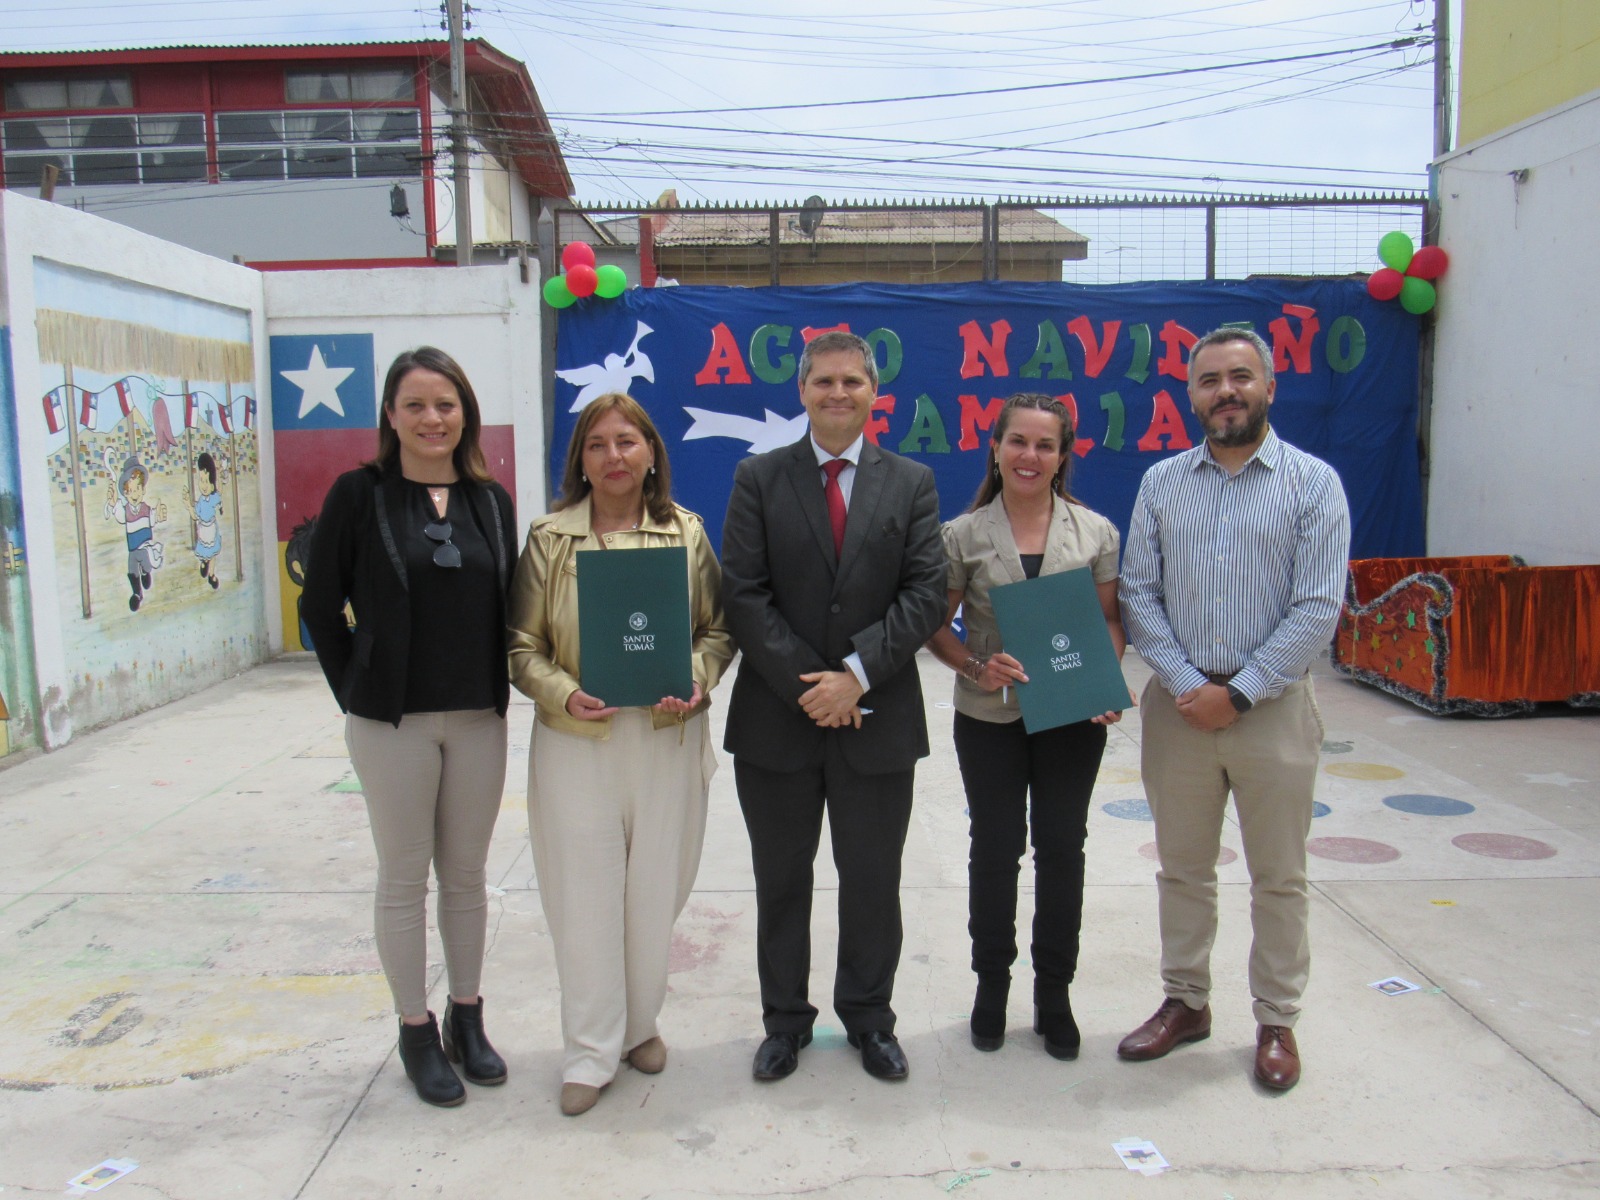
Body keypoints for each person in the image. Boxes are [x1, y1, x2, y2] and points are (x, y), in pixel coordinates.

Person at [1117, 326, 1350, 1092]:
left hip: (1274, 710)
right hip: (1180, 711)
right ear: (1191, 394)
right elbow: (1139, 597)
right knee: (1182, 869)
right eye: (1210, 379)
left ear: (1269, 387)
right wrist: (1190, 686)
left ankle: (1277, 1018)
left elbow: (1318, 607)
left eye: (1241, 376)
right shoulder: (1161, 484)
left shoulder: (1313, 484)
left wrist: (1241, 690)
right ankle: (1186, 1002)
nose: (1226, 391)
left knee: (1278, 875)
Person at [721, 329, 946, 1084]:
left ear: (874, 392)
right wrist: (812, 687)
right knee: (781, 880)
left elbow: (925, 595)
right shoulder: (760, 478)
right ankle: (784, 1022)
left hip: (876, 718)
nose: (839, 394)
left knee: (872, 879)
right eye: (824, 382)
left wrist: (855, 674)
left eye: (853, 382)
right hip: (777, 723)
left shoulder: (911, 482)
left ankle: (869, 1019)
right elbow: (744, 596)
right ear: (803, 391)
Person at [507, 393, 734, 1117]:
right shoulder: (549, 538)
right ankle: (589, 1050)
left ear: (651, 453)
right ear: (580, 458)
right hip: (579, 742)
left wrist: (696, 681)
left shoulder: (686, 534)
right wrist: (563, 693)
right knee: (586, 897)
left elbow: (717, 633)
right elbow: (521, 648)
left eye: (627, 442)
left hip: (665, 741)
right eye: (598, 444)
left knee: (653, 892)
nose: (614, 456)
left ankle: (639, 1029)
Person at [302, 346, 517, 1108]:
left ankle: (468, 1017)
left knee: (466, 877)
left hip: (478, 719)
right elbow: (319, 610)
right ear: (391, 416)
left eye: (447, 403)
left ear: (466, 413)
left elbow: (511, 605)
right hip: (392, 723)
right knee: (403, 879)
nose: (433, 418)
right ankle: (415, 1030)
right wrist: (358, 692)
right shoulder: (359, 495)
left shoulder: (491, 501)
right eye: (416, 404)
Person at [925, 393, 1129, 1060]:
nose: (1030, 456)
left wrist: (1103, 680)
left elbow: (1108, 621)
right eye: (1019, 442)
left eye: (1045, 445)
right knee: (996, 847)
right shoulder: (962, 535)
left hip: (1071, 717)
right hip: (990, 718)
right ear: (996, 447)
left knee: (1063, 848)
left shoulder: (1095, 532)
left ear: (1063, 455)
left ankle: (1053, 992)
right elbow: (935, 625)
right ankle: (991, 985)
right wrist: (975, 665)